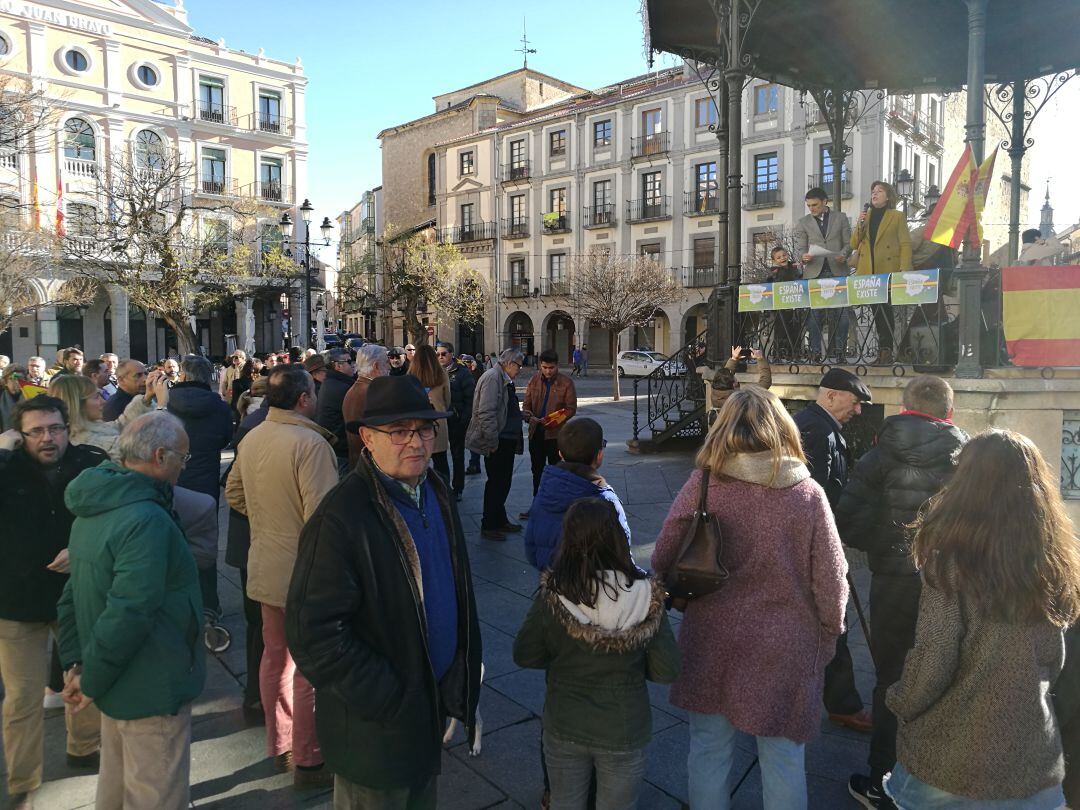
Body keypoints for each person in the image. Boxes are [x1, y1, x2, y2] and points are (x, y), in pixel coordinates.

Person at [286, 374, 482, 809]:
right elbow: (313, 634)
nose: (416, 442)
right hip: (379, 727)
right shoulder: (342, 517)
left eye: (424, 429)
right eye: (399, 431)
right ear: (368, 440)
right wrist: (392, 696)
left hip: (428, 708)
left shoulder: (434, 491)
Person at [651, 387, 849, 810]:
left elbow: (665, 549)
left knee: (708, 747)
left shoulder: (705, 482)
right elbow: (832, 577)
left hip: (711, 636)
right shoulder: (807, 494)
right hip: (785, 641)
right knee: (783, 755)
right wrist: (830, 632)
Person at [883, 430, 1080, 809]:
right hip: (1031, 756)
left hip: (949, 763)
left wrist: (900, 700)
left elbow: (935, 658)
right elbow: (1055, 661)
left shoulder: (952, 564)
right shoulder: (1055, 561)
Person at [57, 411, 205, 810]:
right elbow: (130, 610)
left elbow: (71, 594)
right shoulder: (145, 517)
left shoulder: (98, 502)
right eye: (182, 458)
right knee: (155, 793)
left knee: (117, 788)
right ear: (160, 456)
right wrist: (88, 679)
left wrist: (79, 665)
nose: (183, 468)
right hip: (151, 683)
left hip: (118, 679)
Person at [835, 376, 967, 809]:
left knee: (892, 675)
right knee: (948, 672)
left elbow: (847, 522)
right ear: (947, 412)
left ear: (905, 407)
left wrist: (887, 545)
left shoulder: (878, 456)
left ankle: (882, 777)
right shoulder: (967, 458)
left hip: (893, 580)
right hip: (950, 582)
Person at [513, 498, 680, 810]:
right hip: (624, 726)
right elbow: (667, 669)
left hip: (566, 721)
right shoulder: (646, 597)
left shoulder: (555, 594)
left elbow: (525, 654)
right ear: (619, 537)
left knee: (564, 802)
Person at [225, 364, 338, 788]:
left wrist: (269, 520)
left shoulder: (253, 435)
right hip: (304, 571)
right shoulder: (309, 444)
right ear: (305, 398)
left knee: (276, 657)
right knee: (306, 665)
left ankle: (282, 743)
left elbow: (233, 492)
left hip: (265, 563)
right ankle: (309, 758)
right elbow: (323, 518)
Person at [0, 397, 106, 810]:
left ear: (68, 427)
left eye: (55, 428)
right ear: (19, 435)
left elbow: (112, 513)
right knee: (22, 697)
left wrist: (80, 548)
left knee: (83, 676)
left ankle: (84, 746)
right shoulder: (7, 470)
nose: (48, 438)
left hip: (75, 591)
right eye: (37, 431)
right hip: (16, 598)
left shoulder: (90, 463)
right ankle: (22, 782)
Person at [793, 368, 874, 736]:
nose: (857, 410)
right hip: (816, 548)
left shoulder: (818, 426)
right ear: (831, 397)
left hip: (816, 545)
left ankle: (838, 701)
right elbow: (814, 496)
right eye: (854, 402)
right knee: (834, 621)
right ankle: (843, 704)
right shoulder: (818, 431)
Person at [167, 355, 232, 624]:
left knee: (171, 541)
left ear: (182, 375)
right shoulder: (218, 407)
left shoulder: (166, 403)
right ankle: (209, 604)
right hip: (204, 481)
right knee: (204, 545)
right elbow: (225, 437)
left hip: (171, 480)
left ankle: (177, 603)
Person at [524, 416, 631, 571]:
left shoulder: (544, 491)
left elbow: (532, 551)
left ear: (560, 454)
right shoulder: (605, 499)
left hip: (553, 586)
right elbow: (622, 552)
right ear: (599, 455)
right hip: (596, 589)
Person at [466, 348, 525, 541]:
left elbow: (503, 408)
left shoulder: (503, 377)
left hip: (505, 439)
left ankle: (499, 519)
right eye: (519, 365)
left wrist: (522, 415)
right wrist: (492, 441)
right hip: (498, 441)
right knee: (496, 483)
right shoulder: (493, 378)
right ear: (509, 363)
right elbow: (486, 412)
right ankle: (489, 524)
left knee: (502, 482)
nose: (520, 369)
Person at [850, 180, 912, 365]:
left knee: (887, 311)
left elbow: (905, 243)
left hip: (889, 270)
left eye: (879, 191)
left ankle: (887, 352)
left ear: (888, 196)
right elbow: (854, 243)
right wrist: (860, 223)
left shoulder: (897, 216)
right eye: (873, 191)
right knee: (877, 312)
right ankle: (883, 351)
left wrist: (905, 268)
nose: (874, 194)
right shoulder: (865, 217)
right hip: (869, 272)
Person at [48, 372, 162, 462]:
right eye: (96, 397)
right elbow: (152, 451)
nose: (103, 402)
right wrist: (162, 406)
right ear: (78, 405)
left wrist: (146, 398)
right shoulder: (92, 446)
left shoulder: (89, 430)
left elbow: (119, 426)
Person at [795, 187, 853, 360]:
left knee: (842, 316)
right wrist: (803, 257)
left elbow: (849, 243)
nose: (811, 209)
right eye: (809, 206)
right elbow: (800, 248)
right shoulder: (803, 222)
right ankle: (815, 353)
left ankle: (840, 352)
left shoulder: (840, 218)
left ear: (824, 202)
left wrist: (844, 254)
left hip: (838, 270)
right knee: (814, 317)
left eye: (815, 205)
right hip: (814, 273)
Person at [521, 349, 578, 518]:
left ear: (557, 366)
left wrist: (553, 420)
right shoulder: (533, 380)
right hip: (536, 433)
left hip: (556, 436)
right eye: (544, 367)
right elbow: (526, 405)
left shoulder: (566, 383)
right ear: (540, 366)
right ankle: (537, 505)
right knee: (536, 471)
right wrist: (530, 416)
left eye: (551, 367)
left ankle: (557, 506)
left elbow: (571, 409)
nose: (547, 371)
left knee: (557, 472)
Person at [407, 344, 452, 484]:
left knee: (420, 461)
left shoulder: (410, 375)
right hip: (438, 419)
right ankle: (444, 492)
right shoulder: (442, 373)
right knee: (441, 461)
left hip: (418, 422)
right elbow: (447, 398)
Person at [437, 341, 475, 500]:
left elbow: (470, 398)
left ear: (451, 354)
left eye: (443, 354)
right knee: (438, 456)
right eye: (437, 354)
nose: (440, 357)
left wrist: (464, 420)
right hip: (439, 421)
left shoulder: (462, 372)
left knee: (457, 455)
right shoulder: (435, 372)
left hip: (456, 420)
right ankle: (442, 486)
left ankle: (457, 488)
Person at [342, 344, 389, 469]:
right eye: (386, 362)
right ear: (376, 366)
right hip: (372, 465)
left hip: (359, 463)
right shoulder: (372, 392)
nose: (388, 367)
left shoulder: (353, 389)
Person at [316, 348, 357, 475]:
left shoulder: (332, 382)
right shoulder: (342, 387)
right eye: (349, 361)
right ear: (338, 365)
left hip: (335, 446)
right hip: (341, 450)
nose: (353, 364)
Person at [709, 346, 771, 416]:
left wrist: (734, 358)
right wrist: (760, 359)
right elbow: (765, 382)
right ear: (734, 385)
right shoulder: (741, 399)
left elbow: (724, 377)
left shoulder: (715, 394)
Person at [0, 363, 25, 432]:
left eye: (20, 379)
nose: (17, 382)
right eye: (12, 379)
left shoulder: (30, 396)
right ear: (5, 382)